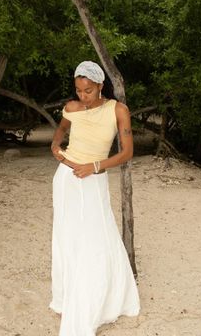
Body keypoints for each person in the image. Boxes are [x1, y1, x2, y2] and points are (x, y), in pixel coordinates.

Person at [49, 61, 140, 336]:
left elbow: (127, 152)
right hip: (65, 179)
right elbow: (62, 128)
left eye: (88, 90)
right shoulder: (73, 107)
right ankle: (67, 297)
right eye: (78, 90)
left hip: (93, 179)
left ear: (100, 85)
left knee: (97, 238)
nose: (83, 96)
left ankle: (96, 301)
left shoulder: (118, 110)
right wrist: (55, 145)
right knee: (67, 237)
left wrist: (96, 167)